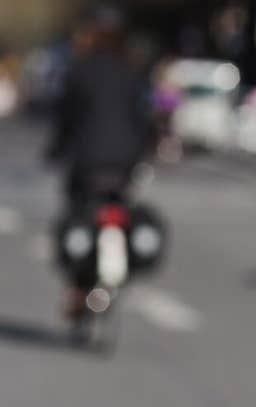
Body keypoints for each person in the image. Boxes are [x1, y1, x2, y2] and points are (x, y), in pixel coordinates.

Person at [47, 9, 153, 312]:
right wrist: (142, 150)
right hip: (125, 163)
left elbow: (65, 118)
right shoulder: (133, 70)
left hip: (87, 162)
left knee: (77, 215)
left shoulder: (81, 70)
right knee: (122, 205)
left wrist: (56, 149)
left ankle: (78, 286)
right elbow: (143, 118)